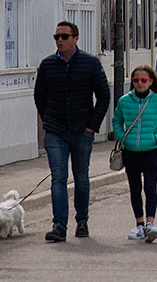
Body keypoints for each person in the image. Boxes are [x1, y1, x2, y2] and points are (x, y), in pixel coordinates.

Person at [34, 20, 110, 242]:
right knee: (58, 177)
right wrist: (47, 120)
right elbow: (39, 96)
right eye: (56, 37)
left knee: (81, 176)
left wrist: (91, 126)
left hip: (81, 130)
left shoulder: (90, 63)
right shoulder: (47, 65)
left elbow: (104, 96)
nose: (59, 40)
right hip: (55, 130)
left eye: (64, 37)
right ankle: (59, 225)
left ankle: (82, 220)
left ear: (75, 39)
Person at [112, 64, 157, 242]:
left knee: (150, 187)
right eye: (136, 80)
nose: (139, 83)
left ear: (150, 81)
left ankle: (150, 224)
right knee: (135, 188)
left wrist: (156, 137)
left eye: (143, 80)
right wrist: (123, 137)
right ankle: (139, 225)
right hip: (131, 152)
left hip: (152, 151)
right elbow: (116, 121)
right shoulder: (124, 101)